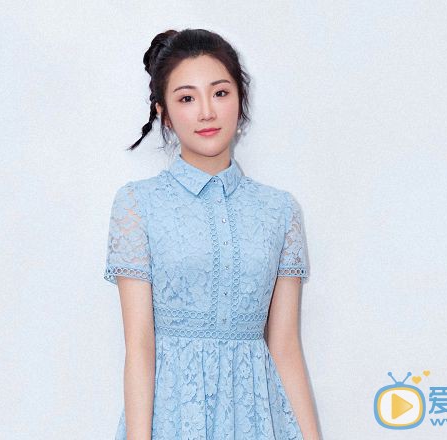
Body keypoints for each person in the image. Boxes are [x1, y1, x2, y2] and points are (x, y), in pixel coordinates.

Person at [104, 28, 320, 440]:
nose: (207, 112)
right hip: (171, 419)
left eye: (220, 93)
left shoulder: (280, 211)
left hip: (258, 421)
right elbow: (140, 346)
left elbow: (285, 347)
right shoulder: (138, 204)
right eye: (187, 98)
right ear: (165, 113)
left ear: (240, 99)